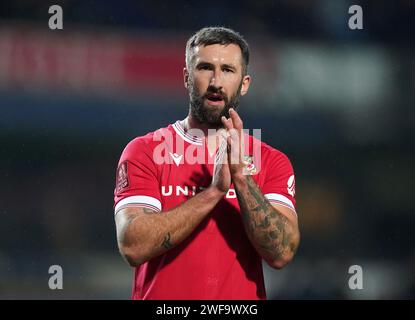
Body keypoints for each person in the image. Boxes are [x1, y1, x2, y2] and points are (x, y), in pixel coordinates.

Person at [113, 27, 300, 300]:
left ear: (244, 83)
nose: (216, 81)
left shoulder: (271, 161)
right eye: (204, 68)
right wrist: (213, 192)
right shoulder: (145, 151)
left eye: (227, 70)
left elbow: (282, 253)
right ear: (187, 78)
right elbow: (133, 246)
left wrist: (243, 179)